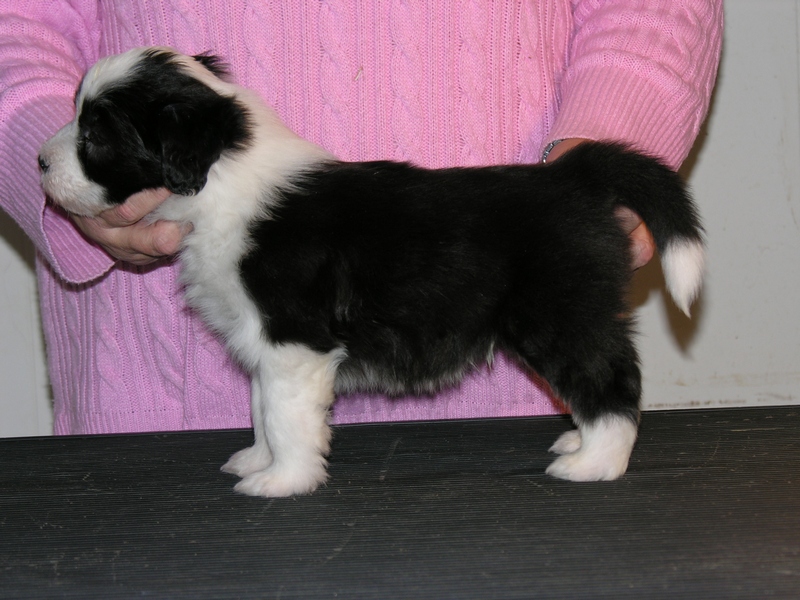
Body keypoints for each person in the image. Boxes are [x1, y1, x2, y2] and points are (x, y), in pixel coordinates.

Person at [0, 1, 723, 435]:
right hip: (158, 400)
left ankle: (606, 419)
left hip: (501, 403)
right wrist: (36, 129)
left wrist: (592, 162)